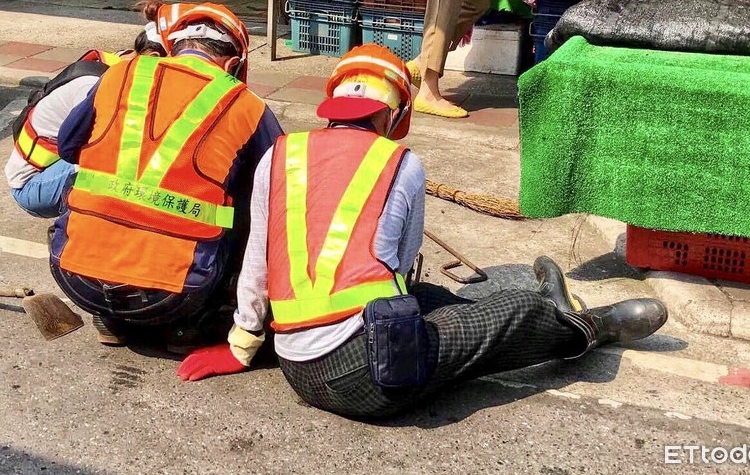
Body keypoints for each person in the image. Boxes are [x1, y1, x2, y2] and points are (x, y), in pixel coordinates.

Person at [176, 44, 670, 418]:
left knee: (437, 300)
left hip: (297, 366)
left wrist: (241, 345)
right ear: (393, 113)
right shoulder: (401, 163)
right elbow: (401, 266)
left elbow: (257, 262)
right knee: (510, 312)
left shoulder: (279, 155)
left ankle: (542, 312)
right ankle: (587, 326)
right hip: (369, 375)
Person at [49, 2, 283, 349]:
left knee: (80, 181)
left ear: (172, 48)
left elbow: (68, 146)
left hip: (76, 278)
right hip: (177, 294)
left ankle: (110, 318)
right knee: (249, 207)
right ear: (233, 64)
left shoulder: (121, 73)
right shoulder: (246, 104)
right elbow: (279, 187)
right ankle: (189, 325)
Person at [5, 2, 173, 219]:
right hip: (33, 186)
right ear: (154, 58)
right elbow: (102, 147)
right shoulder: (96, 86)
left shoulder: (125, 61)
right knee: (124, 160)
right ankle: (68, 228)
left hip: (54, 168)